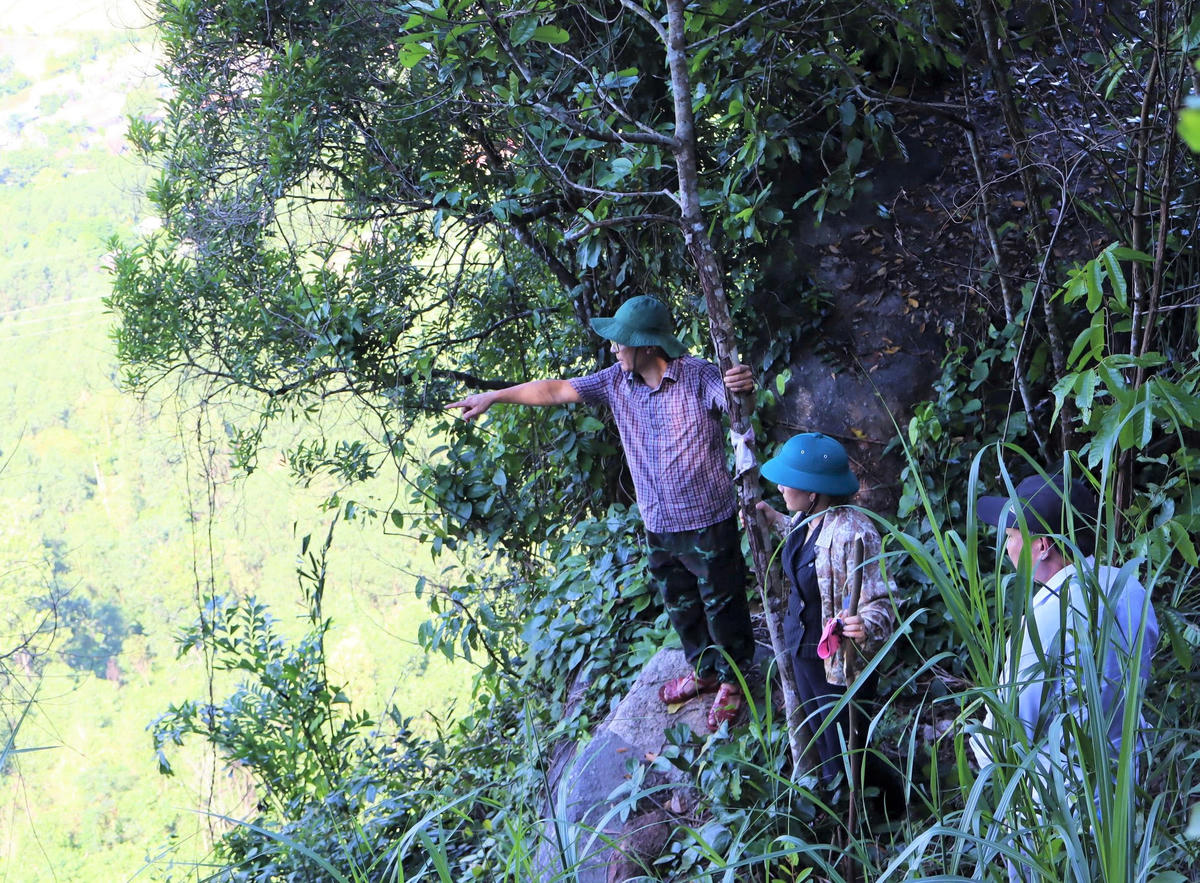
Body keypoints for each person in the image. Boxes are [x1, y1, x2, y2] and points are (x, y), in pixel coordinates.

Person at [447, 295, 756, 732]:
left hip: (708, 521)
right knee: (683, 606)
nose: (614, 348)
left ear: (648, 346)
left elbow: (737, 407)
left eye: (621, 342)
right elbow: (556, 389)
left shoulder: (698, 375)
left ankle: (735, 681)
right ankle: (706, 671)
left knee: (723, 607)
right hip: (659, 525)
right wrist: (496, 395)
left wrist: (743, 386)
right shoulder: (616, 382)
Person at [970, 471, 1159, 881]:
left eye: (1011, 534)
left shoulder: (1043, 618)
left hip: (1058, 818)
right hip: (1125, 791)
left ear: (1041, 546)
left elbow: (1003, 737)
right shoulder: (1130, 589)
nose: (1004, 545)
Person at [755, 432, 896, 783]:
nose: (781, 489)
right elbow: (815, 557)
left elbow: (882, 599)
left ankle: (888, 806)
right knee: (821, 734)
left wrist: (866, 623)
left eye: (789, 482)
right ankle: (840, 807)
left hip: (837, 662)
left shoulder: (856, 532)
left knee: (848, 747)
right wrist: (775, 520)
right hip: (803, 647)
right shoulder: (808, 519)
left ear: (814, 491)